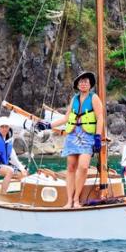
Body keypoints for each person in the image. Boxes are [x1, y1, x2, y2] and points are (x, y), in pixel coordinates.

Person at [38, 71, 103, 208]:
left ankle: (76, 200)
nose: (83, 83)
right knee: (71, 167)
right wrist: (49, 125)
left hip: (87, 135)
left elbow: (100, 117)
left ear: (90, 84)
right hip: (73, 134)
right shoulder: (74, 99)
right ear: (78, 85)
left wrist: (98, 137)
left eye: (86, 81)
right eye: (81, 82)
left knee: (83, 166)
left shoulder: (94, 98)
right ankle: (69, 201)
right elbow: (66, 118)